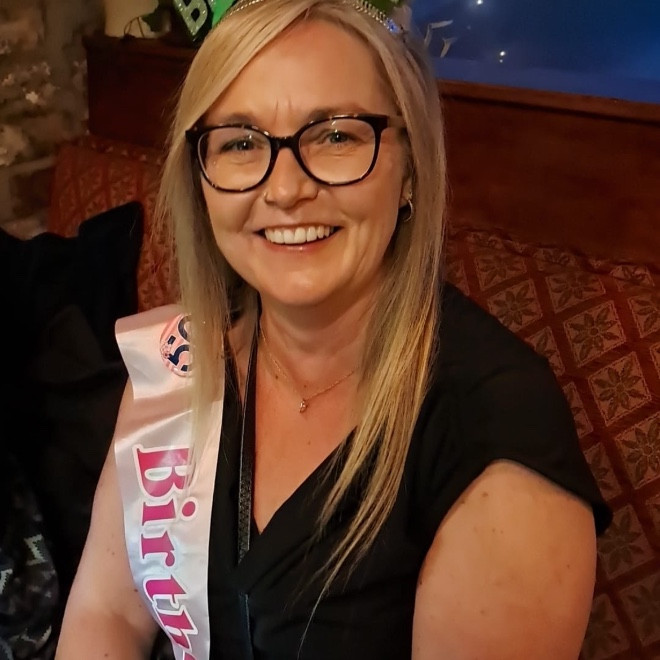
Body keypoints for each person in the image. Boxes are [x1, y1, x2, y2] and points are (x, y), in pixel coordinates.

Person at [57, 0, 611, 658]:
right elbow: (107, 615)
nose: (285, 189)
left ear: (410, 167)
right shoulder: (183, 360)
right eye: (240, 142)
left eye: (336, 136)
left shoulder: (495, 427)